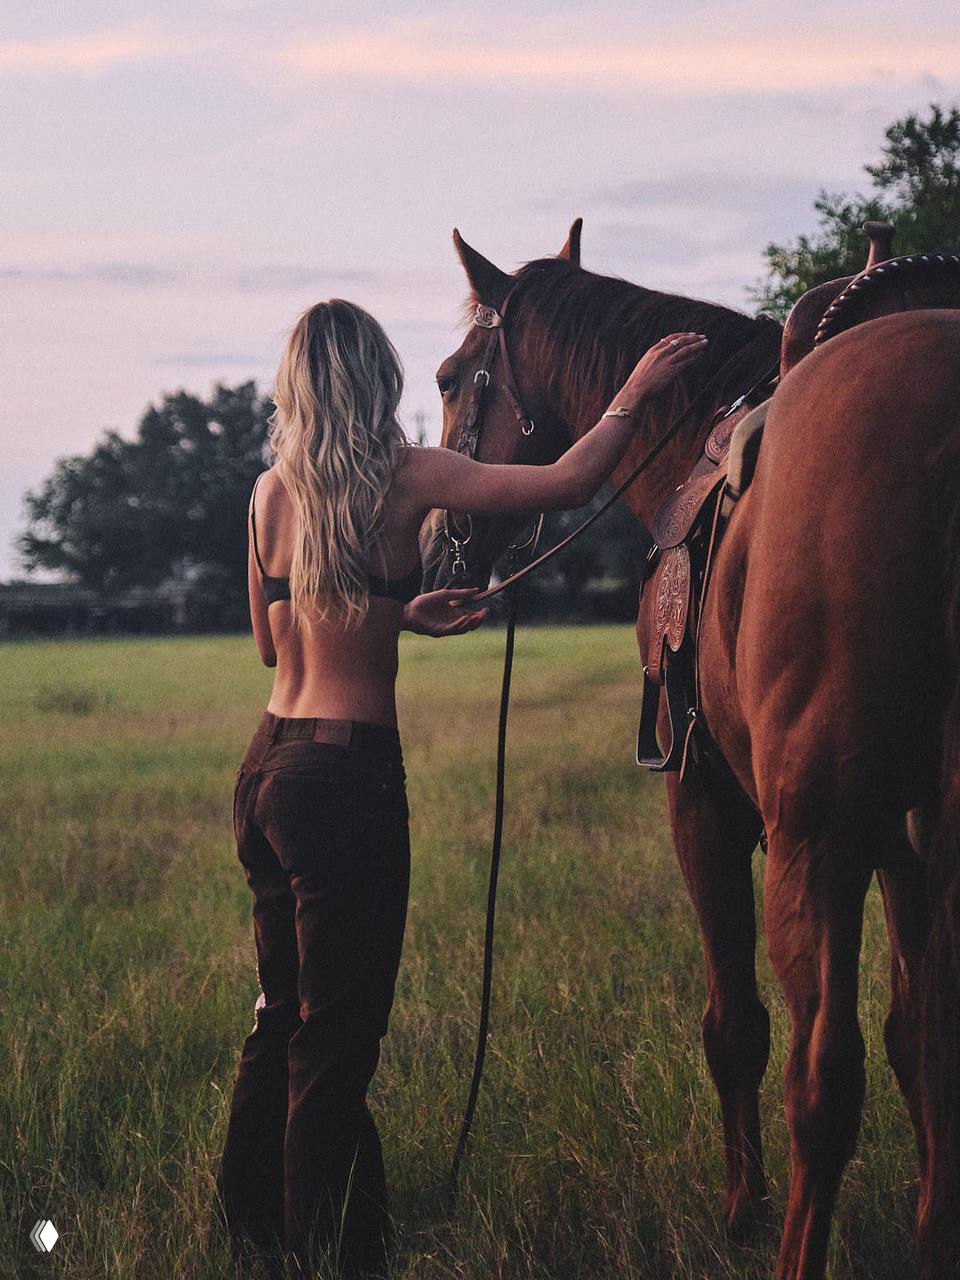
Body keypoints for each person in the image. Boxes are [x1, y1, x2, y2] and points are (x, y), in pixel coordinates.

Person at [214, 298, 707, 1279]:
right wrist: (638, 390)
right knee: (340, 1034)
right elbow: (568, 478)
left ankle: (255, 1227)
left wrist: (395, 611)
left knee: (281, 1012)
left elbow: (278, 639)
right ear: (378, 378)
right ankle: (335, 1251)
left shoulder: (271, 493)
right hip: (349, 774)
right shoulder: (407, 473)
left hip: (270, 767)